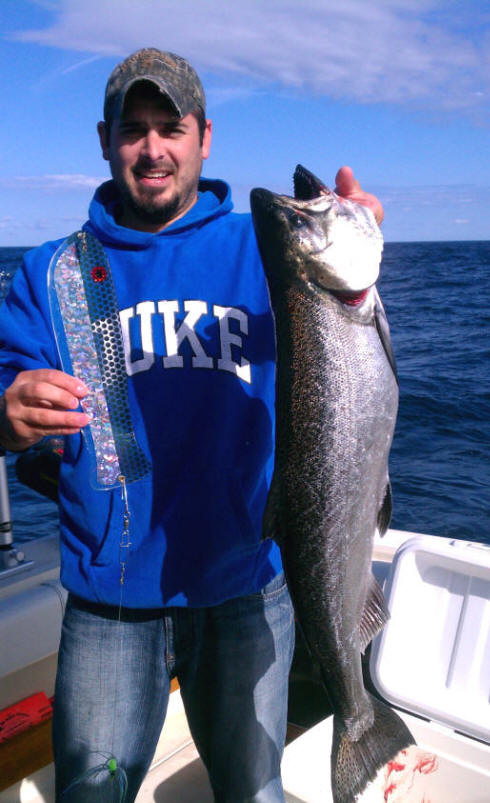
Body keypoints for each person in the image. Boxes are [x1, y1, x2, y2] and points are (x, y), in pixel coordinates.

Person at [0, 48, 384, 802]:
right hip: (109, 598)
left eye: (170, 127)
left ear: (204, 137)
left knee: (254, 790)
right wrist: (8, 415)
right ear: (105, 139)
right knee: (90, 793)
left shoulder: (270, 247)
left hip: (247, 582)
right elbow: (7, 393)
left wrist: (359, 237)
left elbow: (347, 353)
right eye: (132, 129)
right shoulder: (52, 271)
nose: (152, 149)